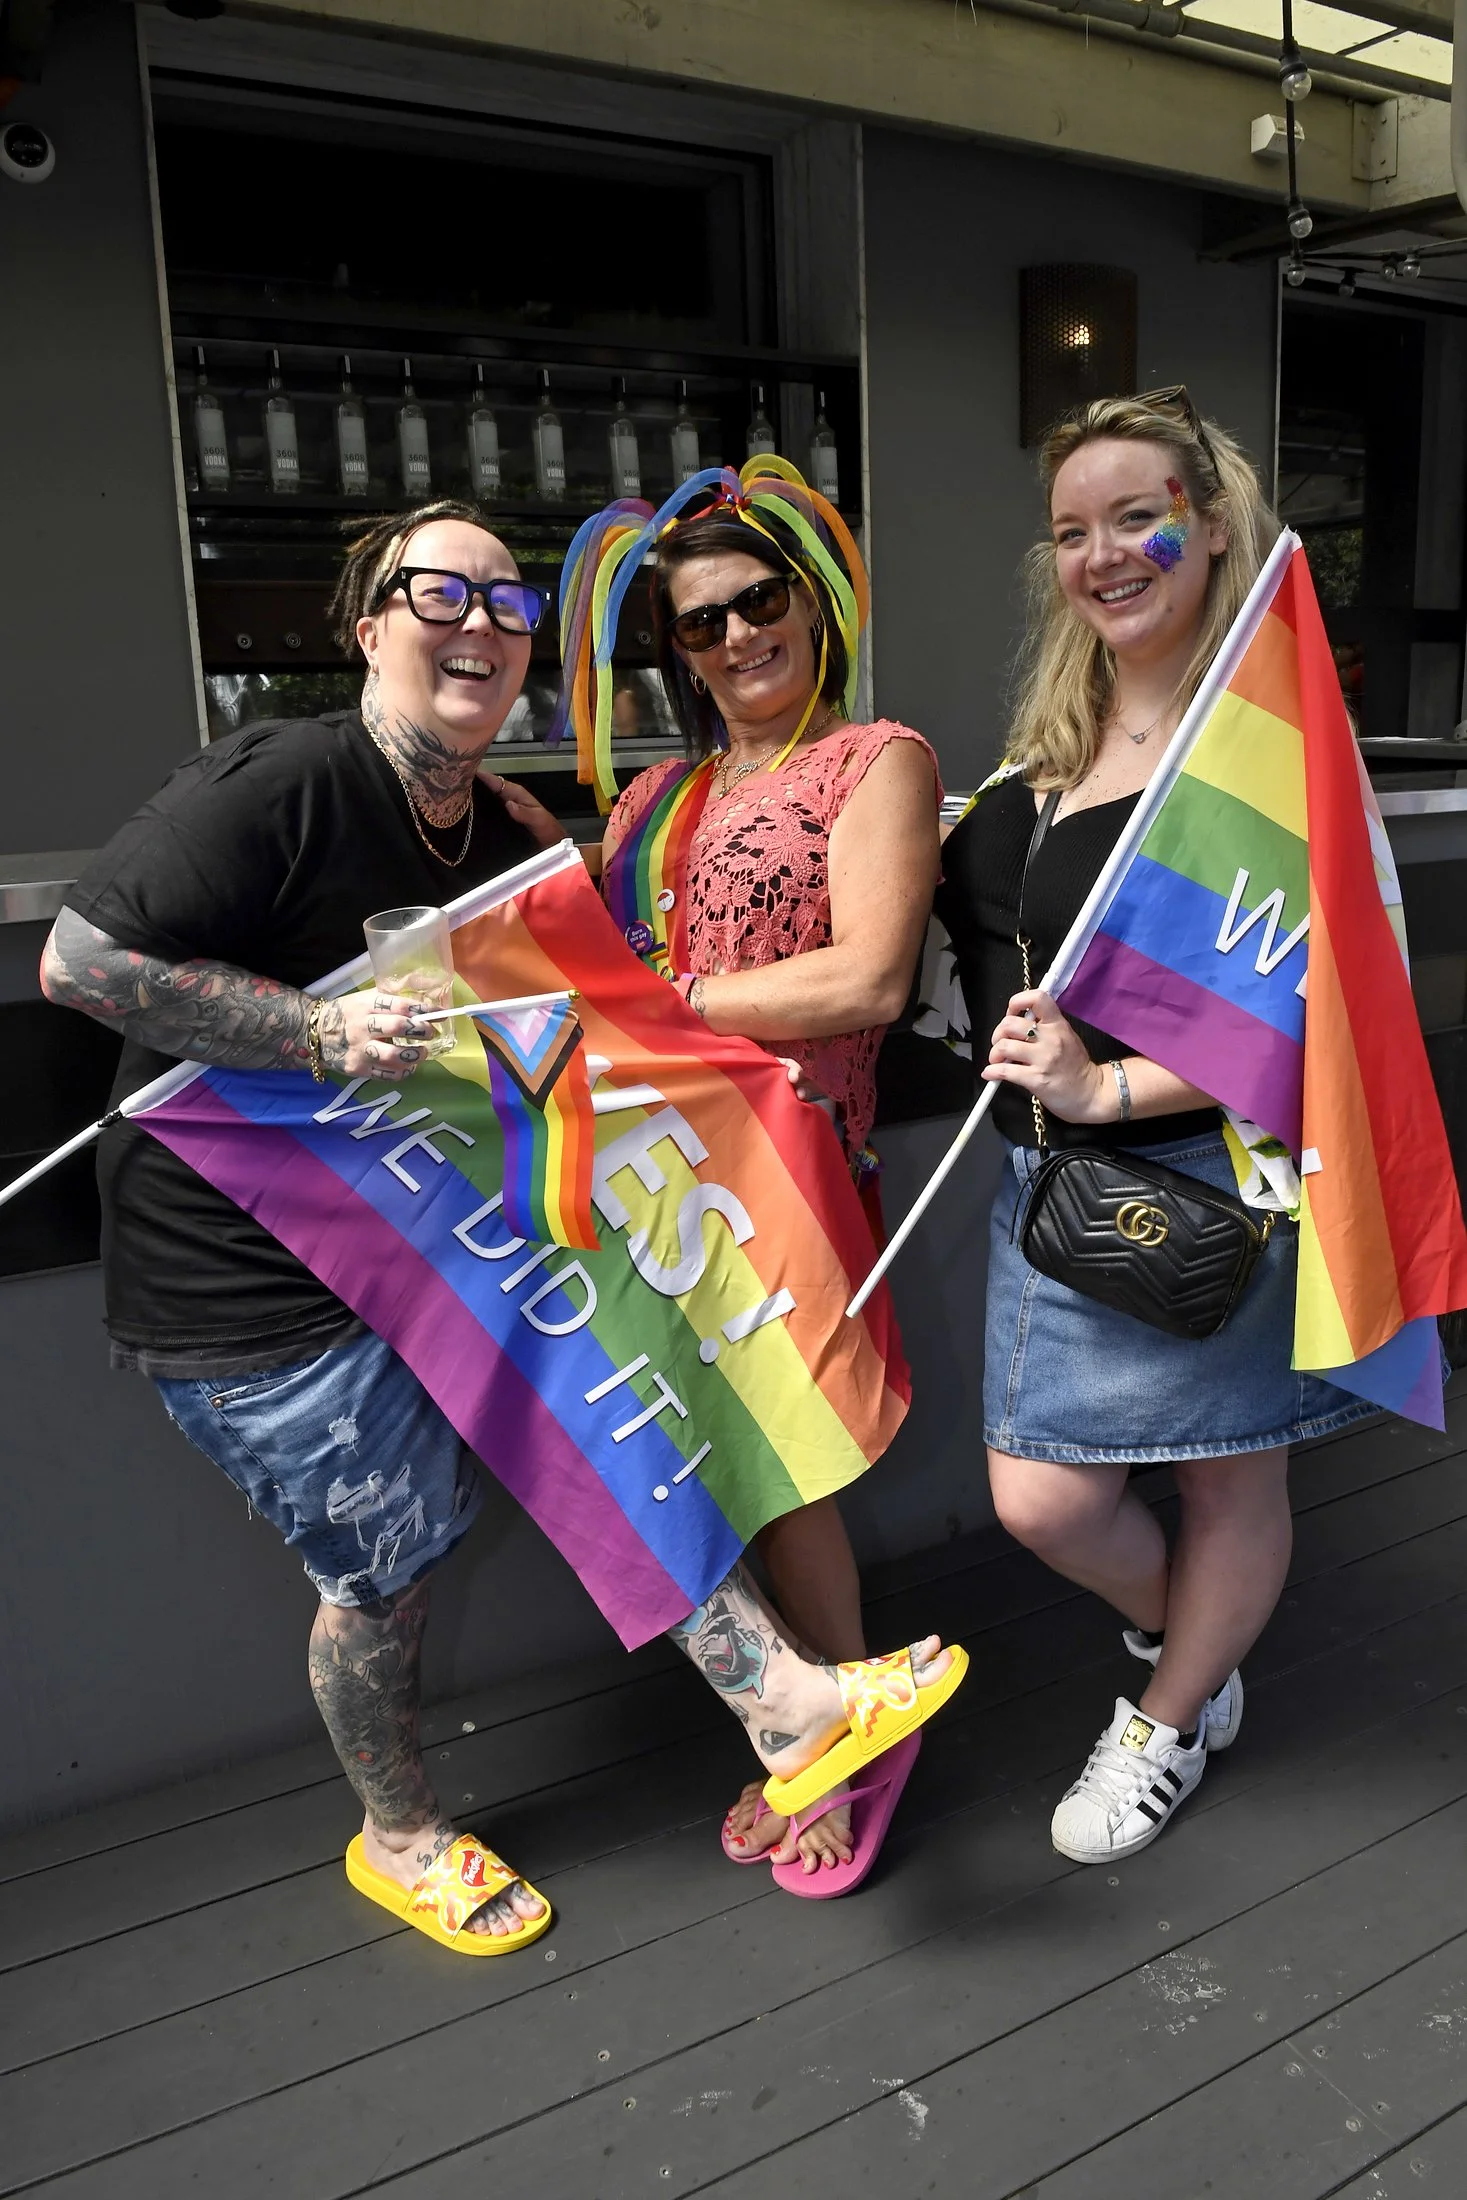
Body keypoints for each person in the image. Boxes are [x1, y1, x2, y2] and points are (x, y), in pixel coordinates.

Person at [41, 498, 961, 1954]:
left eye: (508, 603)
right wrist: (320, 1034)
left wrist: (560, 883)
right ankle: (398, 1835)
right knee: (388, 1570)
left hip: (424, 1248)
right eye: (439, 594)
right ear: (369, 626)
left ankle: (791, 1712)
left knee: (606, 1421)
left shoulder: (478, 835)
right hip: (244, 1284)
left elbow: (567, 996)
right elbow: (79, 961)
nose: (478, 623)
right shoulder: (284, 773)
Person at [936, 393, 1375, 1865]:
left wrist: (1108, 1090)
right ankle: (1190, 1641)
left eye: (1137, 517)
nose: (1104, 552)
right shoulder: (1050, 735)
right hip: (1043, 1186)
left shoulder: (1268, 741)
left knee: (1225, 1470)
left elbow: (1323, 994)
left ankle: (1169, 1717)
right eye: (1072, 530)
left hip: (1197, 1173)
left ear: (1208, 521)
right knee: (1046, 1500)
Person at [495, 466, 941, 1890]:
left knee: (788, 1466)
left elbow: (865, 977)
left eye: (761, 602)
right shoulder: (657, 797)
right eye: (702, 624)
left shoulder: (874, 759)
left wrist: (665, 999)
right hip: (660, 1174)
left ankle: (859, 1728)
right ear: (672, 652)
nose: (740, 636)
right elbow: (595, 970)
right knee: (705, 1461)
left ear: (810, 599)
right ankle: (798, 1718)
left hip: (794, 1164)